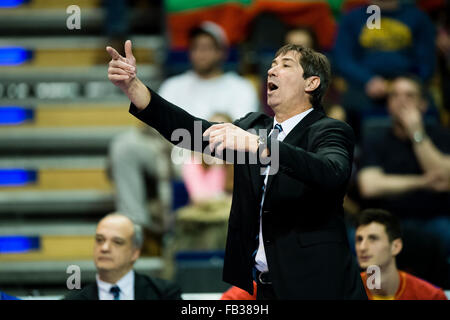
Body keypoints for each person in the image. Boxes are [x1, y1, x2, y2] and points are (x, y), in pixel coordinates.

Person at [106, 40, 367, 299]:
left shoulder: (329, 130)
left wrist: (260, 146)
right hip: (266, 286)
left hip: (320, 284)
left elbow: (332, 173)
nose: (271, 70)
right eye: (272, 64)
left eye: (285, 65)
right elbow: (189, 132)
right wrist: (134, 87)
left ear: (311, 83)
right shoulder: (253, 127)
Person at [108, 21, 259, 245]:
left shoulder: (239, 87)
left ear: (221, 52)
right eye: (196, 47)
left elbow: (244, 132)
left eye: (208, 47)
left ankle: (175, 231)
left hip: (219, 154)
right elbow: (154, 124)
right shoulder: (174, 85)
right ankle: (135, 230)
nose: (201, 53)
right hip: (173, 151)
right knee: (125, 146)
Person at [357, 75, 450, 253]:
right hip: (390, 220)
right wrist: (424, 182)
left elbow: (445, 179)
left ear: (423, 104)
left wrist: (416, 133)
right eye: (395, 96)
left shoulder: (442, 136)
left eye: (409, 96)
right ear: (388, 104)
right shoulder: (375, 139)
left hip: (436, 218)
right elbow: (369, 186)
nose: (401, 101)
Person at [333, 0, 436, 136]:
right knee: (348, 110)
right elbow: (343, 59)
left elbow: (427, 62)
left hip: (407, 81)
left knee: (428, 108)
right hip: (364, 86)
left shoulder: (418, 18)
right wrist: (368, 80)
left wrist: (407, 83)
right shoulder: (352, 18)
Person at [64, 213, 182, 300]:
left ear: (135, 253)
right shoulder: (74, 298)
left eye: (117, 242)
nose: (104, 248)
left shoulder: (164, 294)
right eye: (100, 240)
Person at [355, 208, 448, 300]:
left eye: (373, 239)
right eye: (359, 239)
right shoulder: (343, 291)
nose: (362, 247)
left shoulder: (431, 297)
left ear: (395, 247)